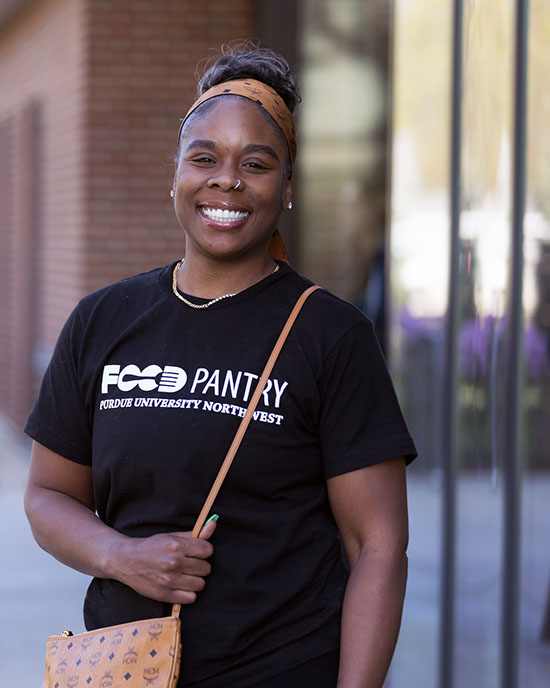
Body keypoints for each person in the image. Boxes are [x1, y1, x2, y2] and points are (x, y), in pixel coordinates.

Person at [24, 43, 417, 688]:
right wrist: (123, 556)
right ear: (174, 172)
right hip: (127, 670)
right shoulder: (103, 319)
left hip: (282, 667)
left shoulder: (330, 333)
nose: (226, 180)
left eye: (256, 164)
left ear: (287, 188)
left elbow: (378, 546)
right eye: (203, 157)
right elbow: (48, 495)